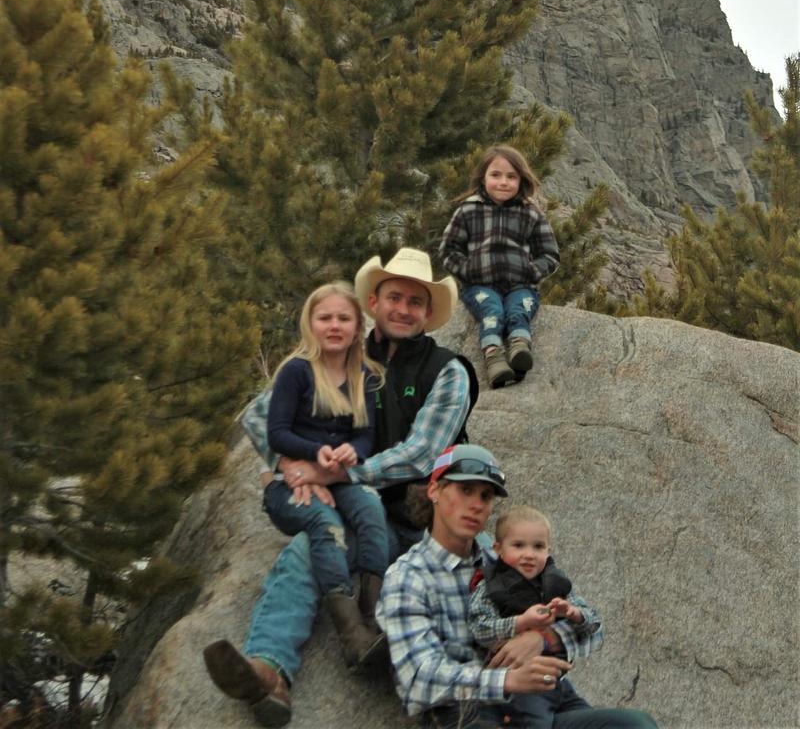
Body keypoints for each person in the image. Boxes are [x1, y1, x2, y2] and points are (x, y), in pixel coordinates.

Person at [203, 247, 478, 727]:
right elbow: (260, 414)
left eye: (415, 301)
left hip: (417, 521)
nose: (403, 309)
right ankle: (268, 672)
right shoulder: (339, 352)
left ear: (428, 312)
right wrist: (290, 464)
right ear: (374, 302)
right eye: (394, 298)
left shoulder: (447, 370)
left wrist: (337, 475)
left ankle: (446, 694)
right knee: (308, 550)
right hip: (356, 510)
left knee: (476, 583)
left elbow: (423, 452)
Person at [377, 443, 660, 729]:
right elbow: (418, 680)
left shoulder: (508, 557)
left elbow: (594, 630)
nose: (476, 504)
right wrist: (507, 679)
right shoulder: (408, 577)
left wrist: (543, 639)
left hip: (545, 699)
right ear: (434, 491)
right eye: (465, 490)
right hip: (471, 713)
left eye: (485, 496)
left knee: (637, 725)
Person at [263, 282, 387, 667]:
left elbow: (366, 434)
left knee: (372, 512)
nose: (334, 326)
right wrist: (313, 452)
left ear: (357, 326)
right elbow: (276, 432)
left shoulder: (364, 375)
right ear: (310, 323)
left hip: (339, 475)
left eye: (344, 318)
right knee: (326, 524)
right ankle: (351, 633)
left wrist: (355, 451)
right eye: (325, 318)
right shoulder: (296, 372)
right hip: (290, 485)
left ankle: (372, 616)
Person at [469, 505, 607, 727]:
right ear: (498, 549)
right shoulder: (489, 586)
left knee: (594, 720)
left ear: (548, 551)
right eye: (518, 545)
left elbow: (595, 625)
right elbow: (479, 629)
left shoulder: (556, 584)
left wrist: (575, 614)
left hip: (559, 684)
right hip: (521, 687)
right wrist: (520, 622)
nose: (529, 555)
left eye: (538, 546)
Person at [439, 144, 559, 389]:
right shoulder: (468, 210)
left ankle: (519, 348)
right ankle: (494, 358)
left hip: (520, 285)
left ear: (521, 180)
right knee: (491, 311)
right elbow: (448, 251)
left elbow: (549, 254)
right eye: (496, 175)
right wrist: (468, 270)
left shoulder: (530, 213)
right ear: (483, 178)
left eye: (511, 177)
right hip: (479, 286)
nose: (503, 182)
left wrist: (531, 271)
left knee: (519, 310)